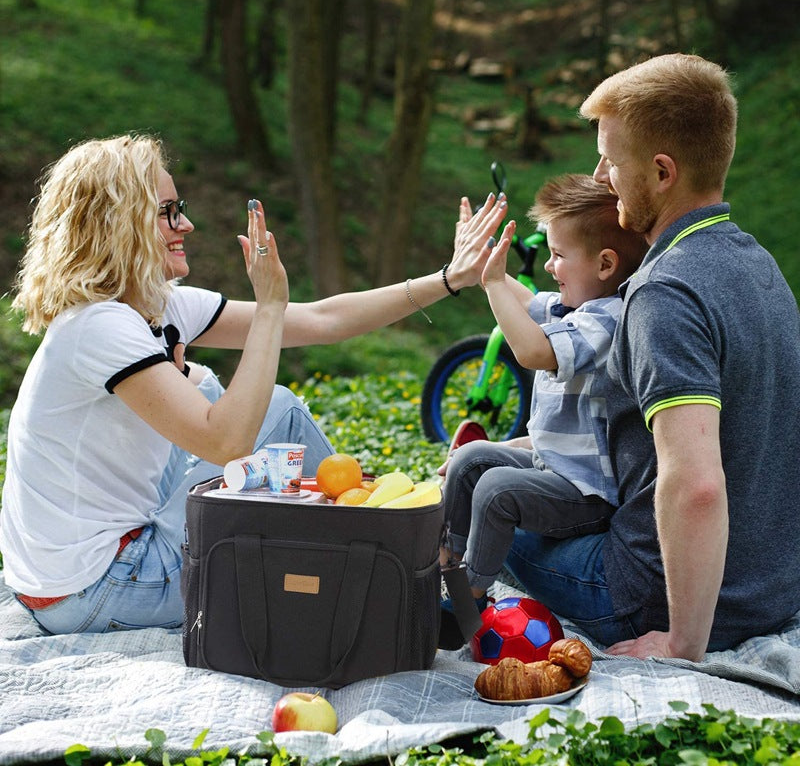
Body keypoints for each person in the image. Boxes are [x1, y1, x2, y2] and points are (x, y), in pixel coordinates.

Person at [0, 133, 504, 636]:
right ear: (119, 223)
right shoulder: (100, 325)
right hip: (100, 586)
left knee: (215, 391)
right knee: (276, 412)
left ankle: (376, 549)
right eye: (167, 212)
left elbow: (323, 320)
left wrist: (448, 279)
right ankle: (401, 570)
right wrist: (268, 308)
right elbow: (228, 443)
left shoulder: (154, 306)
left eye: (181, 209)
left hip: (83, 572)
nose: (186, 224)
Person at [503, 53, 800, 661]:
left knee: (480, 507)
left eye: (611, 161)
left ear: (662, 172)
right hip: (774, 589)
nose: (600, 176)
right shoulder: (758, 264)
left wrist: (681, 643)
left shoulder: (663, 294)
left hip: (660, 597)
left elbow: (696, 485)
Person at [438, 174, 647, 647]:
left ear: (605, 264)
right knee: (471, 459)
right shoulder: (577, 308)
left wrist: (493, 283)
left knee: (496, 489)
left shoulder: (609, 320)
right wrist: (481, 260)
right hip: (550, 468)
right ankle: (444, 568)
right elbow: (530, 303)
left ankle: (466, 603)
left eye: (558, 255)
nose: (549, 265)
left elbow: (533, 352)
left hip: (585, 493)